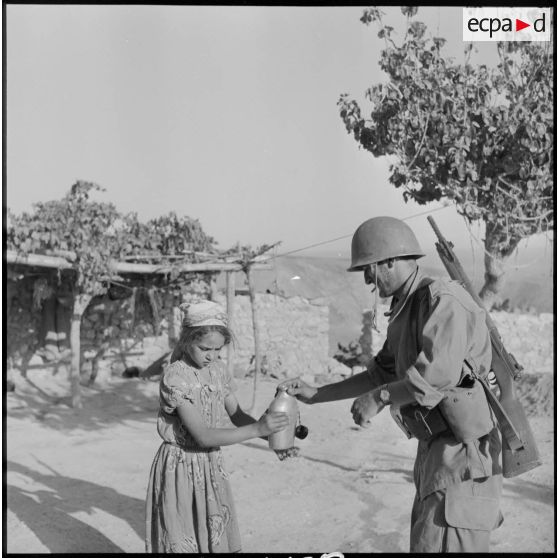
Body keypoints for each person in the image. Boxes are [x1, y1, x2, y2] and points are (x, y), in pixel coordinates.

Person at [281, 216, 503, 553]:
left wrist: (381, 397)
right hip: (435, 452)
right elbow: (380, 373)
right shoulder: (407, 306)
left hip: (463, 455)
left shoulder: (442, 300)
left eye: (369, 267)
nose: (367, 278)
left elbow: (436, 375)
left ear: (390, 261)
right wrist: (315, 395)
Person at [145, 300, 289, 553]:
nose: (212, 356)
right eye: (205, 349)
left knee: (211, 536)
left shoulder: (218, 371)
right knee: (184, 538)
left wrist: (272, 437)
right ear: (187, 339)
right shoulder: (176, 377)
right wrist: (257, 430)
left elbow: (237, 415)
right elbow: (202, 436)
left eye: (218, 350)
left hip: (210, 466)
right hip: (180, 466)